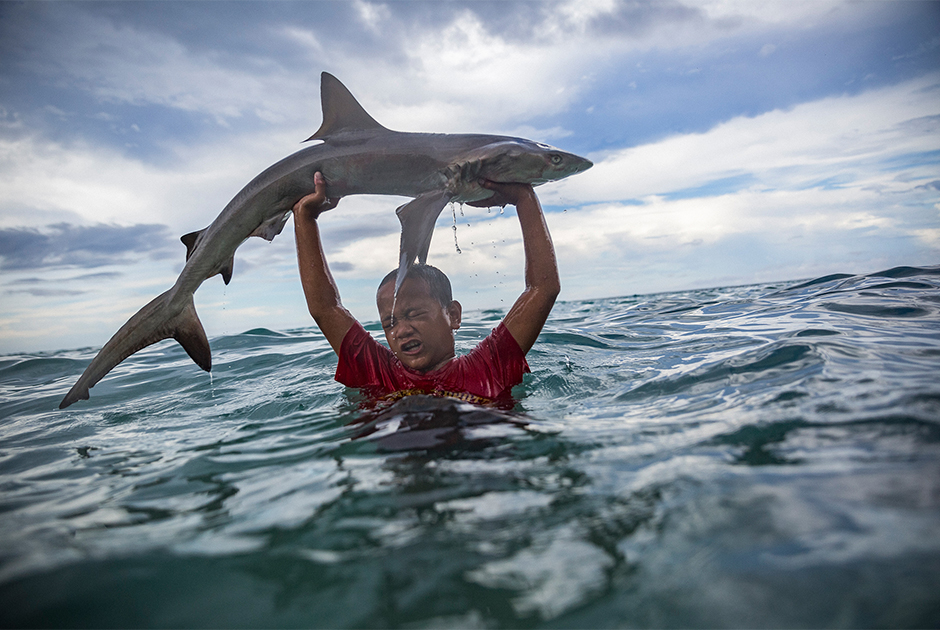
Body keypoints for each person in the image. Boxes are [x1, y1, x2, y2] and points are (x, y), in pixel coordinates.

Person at [293, 172, 559, 407]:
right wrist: (305, 217)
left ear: (453, 315)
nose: (401, 330)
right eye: (390, 323)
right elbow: (325, 308)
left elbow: (542, 289)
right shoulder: (376, 371)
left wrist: (524, 198)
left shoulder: (489, 366)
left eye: (414, 314)